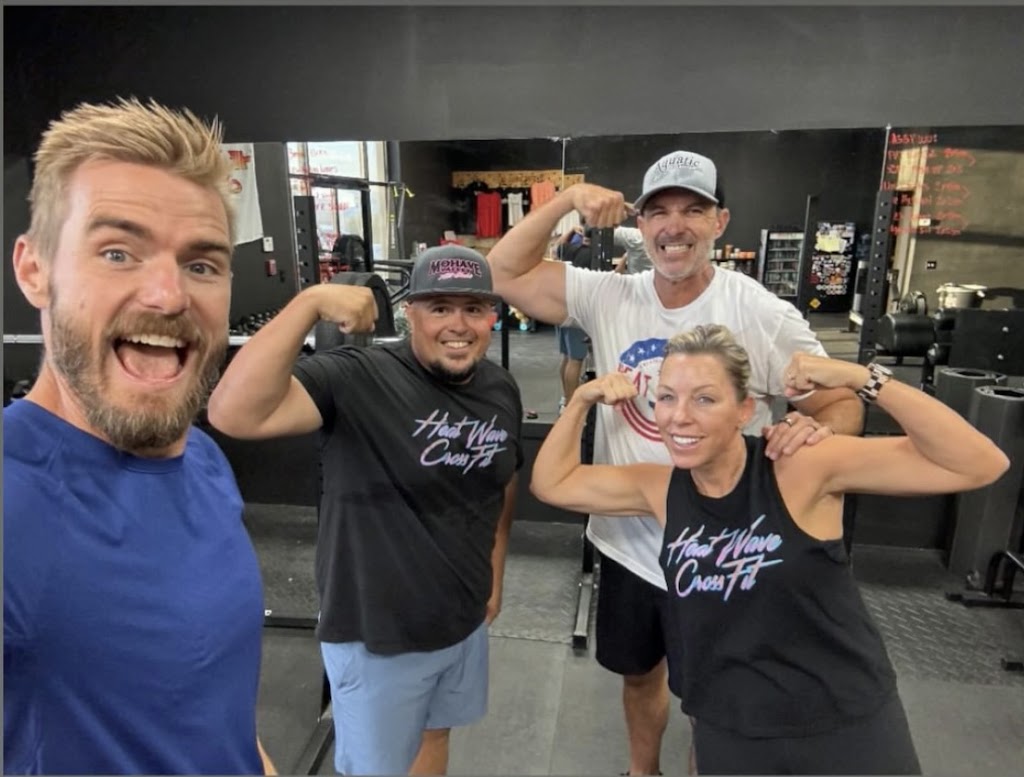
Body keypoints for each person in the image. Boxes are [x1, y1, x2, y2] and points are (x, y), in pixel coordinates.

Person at [486, 149, 865, 775]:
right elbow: (502, 272)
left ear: (720, 222)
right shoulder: (609, 294)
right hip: (628, 542)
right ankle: (643, 771)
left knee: (715, 692)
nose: (675, 226)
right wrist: (565, 201)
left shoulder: (759, 313)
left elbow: (839, 401)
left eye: (693, 210)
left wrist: (812, 433)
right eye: (659, 212)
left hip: (722, 549)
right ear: (641, 225)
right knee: (639, 674)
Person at [531, 324, 1009, 775]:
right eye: (667, 397)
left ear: (745, 410)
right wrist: (583, 399)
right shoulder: (660, 489)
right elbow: (553, 483)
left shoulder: (799, 466)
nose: (680, 416)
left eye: (705, 398)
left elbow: (978, 463)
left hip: (841, 722)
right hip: (729, 727)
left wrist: (863, 379)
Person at [3, 98, 275, 774]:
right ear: (35, 270)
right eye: (118, 252)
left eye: (202, 265)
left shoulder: (201, 459)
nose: (168, 295)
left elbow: (216, 718)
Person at [205, 245, 523, 776]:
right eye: (440, 308)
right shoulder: (359, 377)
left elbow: (504, 480)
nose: (458, 325)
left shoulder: (499, 387)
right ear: (411, 312)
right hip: (379, 635)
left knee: (435, 732)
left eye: (473, 308)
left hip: (463, 619)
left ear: (492, 316)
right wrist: (307, 304)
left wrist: (495, 573)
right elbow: (231, 413)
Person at [553, 225, 593, 410]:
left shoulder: (570, 249)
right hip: (578, 312)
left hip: (563, 309)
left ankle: (565, 399)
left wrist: (570, 231)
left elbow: (556, 248)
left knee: (568, 357)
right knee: (576, 359)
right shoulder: (594, 256)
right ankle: (570, 406)